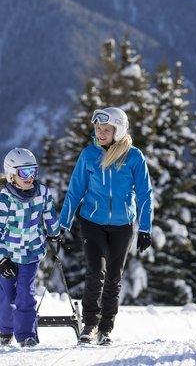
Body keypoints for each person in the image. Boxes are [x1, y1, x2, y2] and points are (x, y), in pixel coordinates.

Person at [59, 107, 154, 346]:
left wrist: (145, 228)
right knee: (96, 273)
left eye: (106, 129)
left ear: (118, 131)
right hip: (92, 222)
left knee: (114, 277)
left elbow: (144, 195)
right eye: (98, 129)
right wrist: (63, 224)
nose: (100, 133)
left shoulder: (134, 157)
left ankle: (106, 328)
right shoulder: (89, 155)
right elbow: (75, 191)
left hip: (122, 225)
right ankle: (89, 326)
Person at [0, 147, 61, 347]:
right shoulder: (4, 199)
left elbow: (49, 215)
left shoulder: (42, 193)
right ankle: (6, 329)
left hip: (31, 253)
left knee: (26, 293)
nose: (30, 177)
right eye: (24, 173)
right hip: (9, 255)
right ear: (12, 175)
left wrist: (55, 233)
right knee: (6, 294)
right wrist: (2, 258)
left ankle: (26, 335)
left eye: (33, 171)